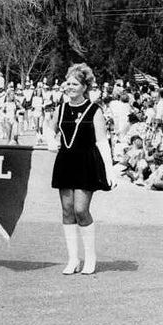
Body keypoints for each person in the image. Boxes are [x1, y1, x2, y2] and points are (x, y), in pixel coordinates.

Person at [46, 63, 114, 276]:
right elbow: (49, 128)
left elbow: (103, 142)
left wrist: (110, 171)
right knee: (67, 210)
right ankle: (73, 259)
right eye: (68, 83)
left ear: (85, 87)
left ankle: (90, 258)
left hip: (86, 163)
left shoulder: (94, 110)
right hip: (65, 162)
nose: (70, 87)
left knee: (80, 210)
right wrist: (50, 140)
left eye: (75, 84)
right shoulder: (62, 108)